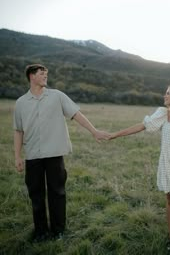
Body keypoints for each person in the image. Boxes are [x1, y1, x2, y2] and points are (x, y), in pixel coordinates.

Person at [13, 64, 110, 242]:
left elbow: (76, 114)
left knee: (57, 192)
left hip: (54, 153)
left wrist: (94, 131)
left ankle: (58, 231)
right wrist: (18, 156)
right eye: (42, 74)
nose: (45, 77)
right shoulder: (20, 103)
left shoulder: (57, 96)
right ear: (31, 76)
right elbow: (18, 131)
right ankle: (40, 232)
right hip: (33, 155)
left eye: (46, 74)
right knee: (36, 195)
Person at [109, 84, 170, 255]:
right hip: (168, 164)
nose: (164, 96)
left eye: (167, 94)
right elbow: (141, 126)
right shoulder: (163, 114)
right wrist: (115, 134)